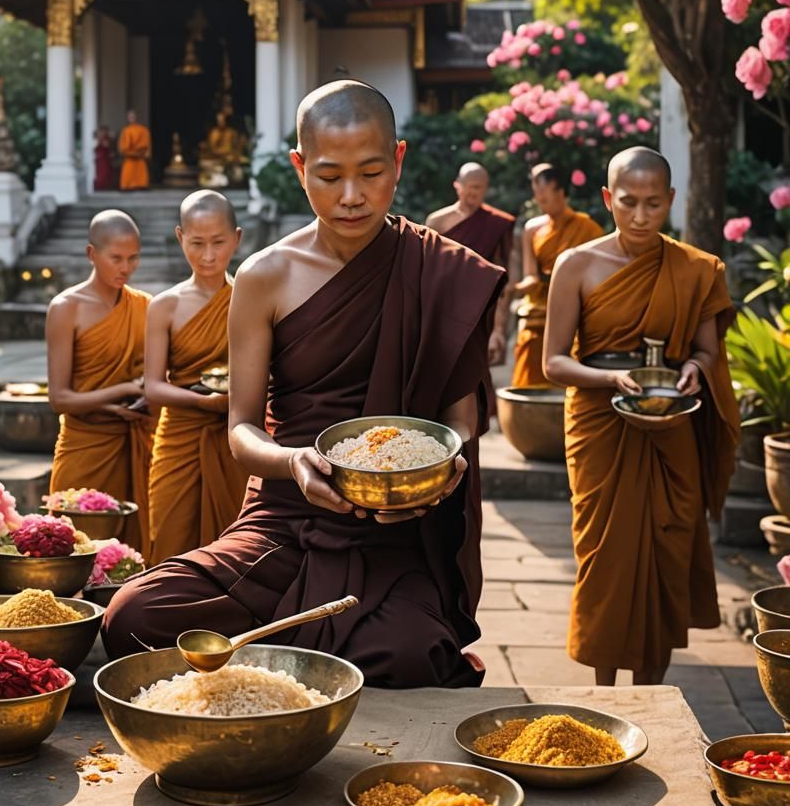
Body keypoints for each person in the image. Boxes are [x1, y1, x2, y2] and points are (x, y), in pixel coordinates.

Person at [104, 81, 505, 688]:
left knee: (410, 653)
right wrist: (294, 462)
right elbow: (240, 428)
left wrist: (441, 472)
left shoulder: (440, 269)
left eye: (371, 173)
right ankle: (300, 666)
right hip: (285, 519)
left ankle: (275, 668)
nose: (351, 196)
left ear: (398, 159)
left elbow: (459, 416)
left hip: (393, 529)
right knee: (135, 614)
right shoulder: (266, 276)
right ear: (298, 167)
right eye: (328, 176)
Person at [542, 147, 739, 686]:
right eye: (628, 202)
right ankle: (606, 694)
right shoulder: (576, 264)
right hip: (600, 421)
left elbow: (705, 350)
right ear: (608, 198)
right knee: (606, 556)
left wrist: (696, 368)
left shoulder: (695, 269)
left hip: (670, 418)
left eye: (654, 203)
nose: (640, 215)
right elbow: (553, 360)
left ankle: (653, 688)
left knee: (669, 548)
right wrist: (609, 380)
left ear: (670, 201)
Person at [144, 190, 248, 564]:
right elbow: (153, 386)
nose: (208, 255)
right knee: (170, 537)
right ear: (179, 237)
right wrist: (205, 402)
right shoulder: (165, 305)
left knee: (235, 542)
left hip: (236, 435)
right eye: (197, 243)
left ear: (237, 238)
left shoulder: (250, 299)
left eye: (218, 243)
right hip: (179, 437)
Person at [46, 210, 154, 551]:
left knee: (130, 555)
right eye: (116, 258)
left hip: (131, 443)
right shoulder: (66, 308)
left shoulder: (145, 306)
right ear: (92, 254)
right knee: (74, 550)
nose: (126, 268)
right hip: (83, 445)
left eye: (133, 258)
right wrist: (122, 391)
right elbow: (59, 398)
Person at [512, 164, 603, 388]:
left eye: (544, 196)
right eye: (537, 197)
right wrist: (511, 288)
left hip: (575, 306)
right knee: (529, 347)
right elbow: (531, 276)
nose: (539, 201)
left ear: (560, 191)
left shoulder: (588, 228)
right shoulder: (532, 229)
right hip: (540, 306)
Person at [425, 163, 514, 365]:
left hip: (482, 308)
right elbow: (426, 272)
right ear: (458, 185)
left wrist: (498, 329)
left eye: (479, 187)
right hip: (444, 307)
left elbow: (504, 280)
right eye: (470, 186)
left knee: (476, 373)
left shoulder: (498, 223)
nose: (474, 192)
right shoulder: (437, 222)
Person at [118, 110, 151, 191]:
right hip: (129, 157)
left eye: (133, 116)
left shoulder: (143, 130)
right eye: (129, 117)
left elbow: (146, 144)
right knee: (127, 174)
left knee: (141, 175)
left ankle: (140, 186)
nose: (131, 118)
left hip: (140, 157)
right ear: (127, 118)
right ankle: (128, 186)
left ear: (136, 117)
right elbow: (123, 145)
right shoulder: (126, 130)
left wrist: (141, 151)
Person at [93, 125, 115, 191]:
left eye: (104, 131)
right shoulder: (98, 139)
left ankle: (105, 187)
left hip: (105, 158)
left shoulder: (106, 138)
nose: (102, 133)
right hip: (100, 158)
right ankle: (99, 186)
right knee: (101, 173)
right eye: (101, 131)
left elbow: (108, 146)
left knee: (106, 173)